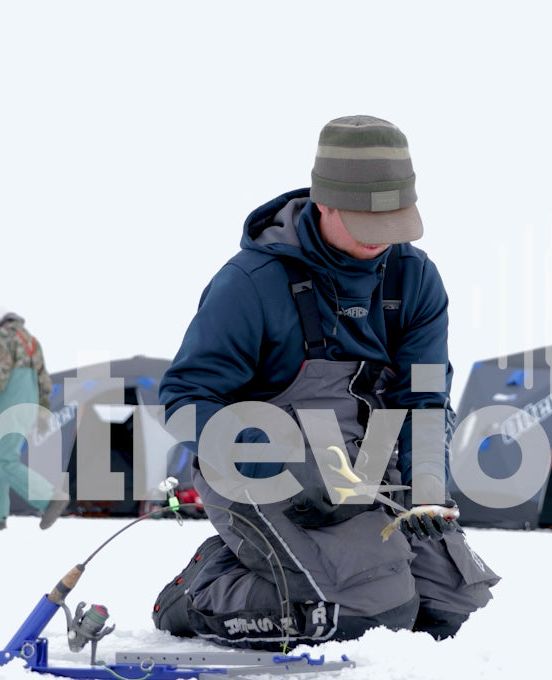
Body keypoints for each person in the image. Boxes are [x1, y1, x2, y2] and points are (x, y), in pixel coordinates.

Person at [151, 116, 499, 650]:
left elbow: (423, 397)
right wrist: (283, 463)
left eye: (395, 222)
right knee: (372, 613)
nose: (382, 241)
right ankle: (201, 590)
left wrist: (427, 488)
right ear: (325, 202)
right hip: (260, 471)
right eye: (368, 224)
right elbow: (182, 399)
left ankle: (276, 561)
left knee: (452, 607)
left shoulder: (416, 280)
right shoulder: (250, 284)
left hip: (367, 468)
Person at [0, 306, 66, 530]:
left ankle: (49, 497)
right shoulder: (31, 341)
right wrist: (42, 412)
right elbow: (44, 381)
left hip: (10, 406)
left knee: (5, 461)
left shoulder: (3, 337)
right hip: (27, 406)